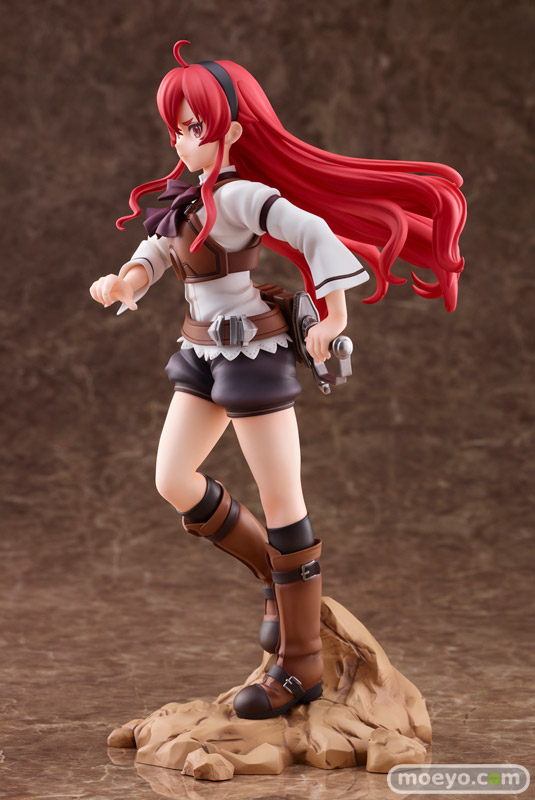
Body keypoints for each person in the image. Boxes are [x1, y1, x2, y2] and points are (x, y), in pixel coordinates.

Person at [90, 41, 466, 720]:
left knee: (282, 498)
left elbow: (315, 233)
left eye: (193, 127)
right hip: (199, 353)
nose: (180, 139)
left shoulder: (242, 196)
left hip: (252, 357)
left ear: (231, 132)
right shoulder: (185, 198)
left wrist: (333, 315)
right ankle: (275, 574)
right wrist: (126, 281)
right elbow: (156, 249)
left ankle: (301, 664)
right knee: (172, 479)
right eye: (175, 127)